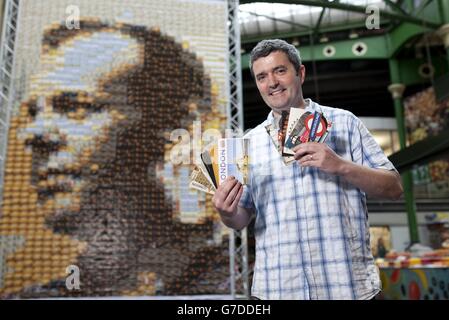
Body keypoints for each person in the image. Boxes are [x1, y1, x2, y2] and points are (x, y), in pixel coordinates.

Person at [0, 19, 227, 297]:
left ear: (179, 132)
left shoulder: (242, 287)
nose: (32, 133)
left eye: (75, 106)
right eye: (34, 112)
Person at [212, 39, 403, 300]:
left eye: (280, 71)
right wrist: (226, 212)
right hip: (278, 288)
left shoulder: (345, 123)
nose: (272, 83)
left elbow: (394, 188)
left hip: (346, 287)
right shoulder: (248, 143)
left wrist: (341, 166)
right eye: (262, 77)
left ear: (300, 73)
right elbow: (241, 219)